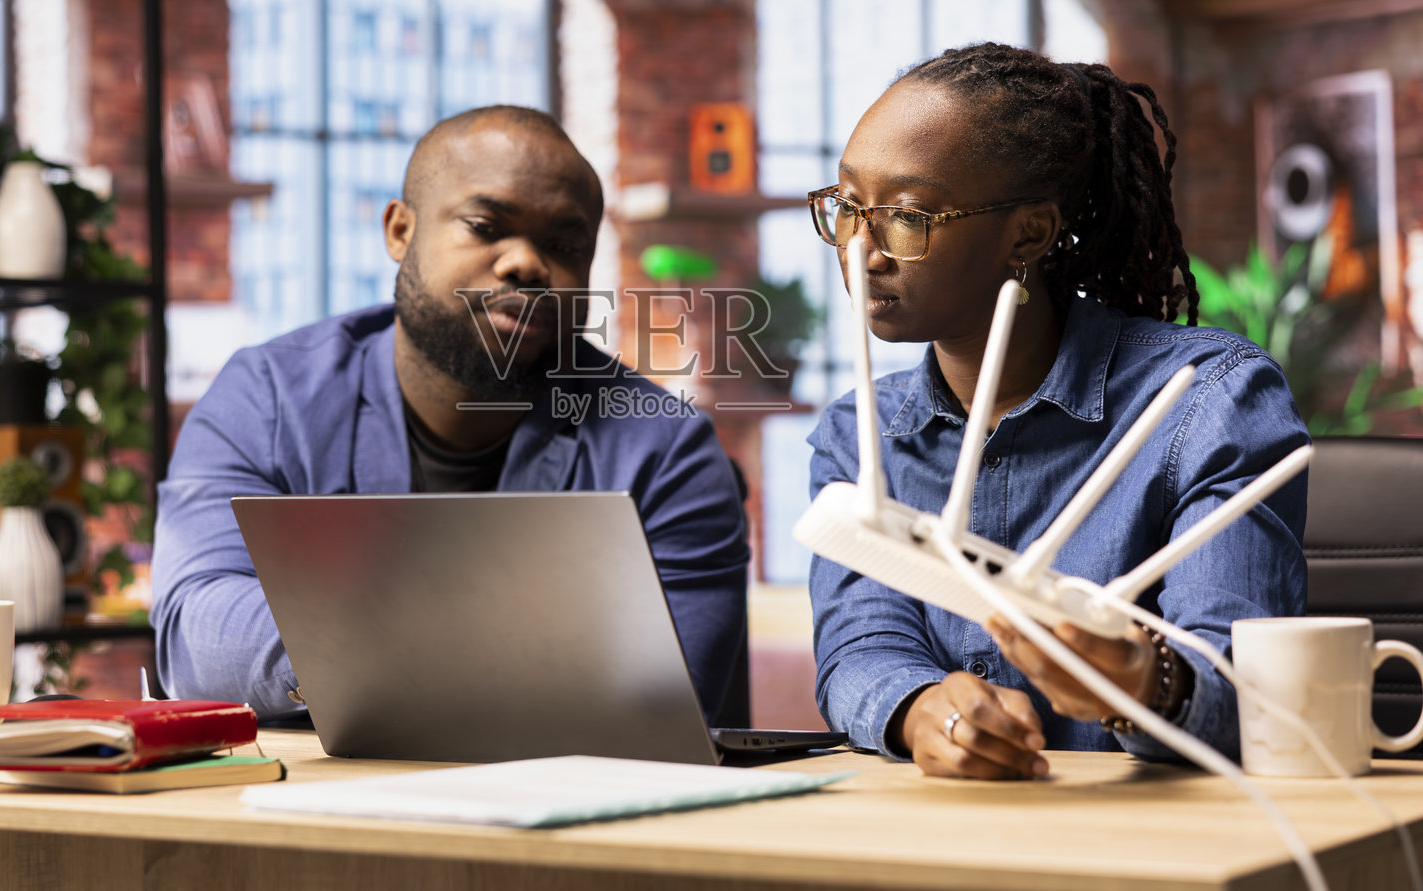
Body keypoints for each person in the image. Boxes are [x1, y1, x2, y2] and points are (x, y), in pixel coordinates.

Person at [806, 43, 1308, 780]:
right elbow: (862, 644)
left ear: (1030, 233)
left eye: (906, 217)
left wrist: (1143, 679)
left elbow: (1244, 684)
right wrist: (924, 712)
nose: (862, 250)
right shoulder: (860, 436)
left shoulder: (1207, 402)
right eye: (848, 207)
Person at [152, 105, 750, 721]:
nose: (527, 264)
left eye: (565, 245)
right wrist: (462, 647)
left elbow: (664, 703)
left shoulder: (665, 449)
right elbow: (194, 636)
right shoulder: (268, 400)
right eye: (487, 225)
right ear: (400, 232)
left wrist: (350, 640)